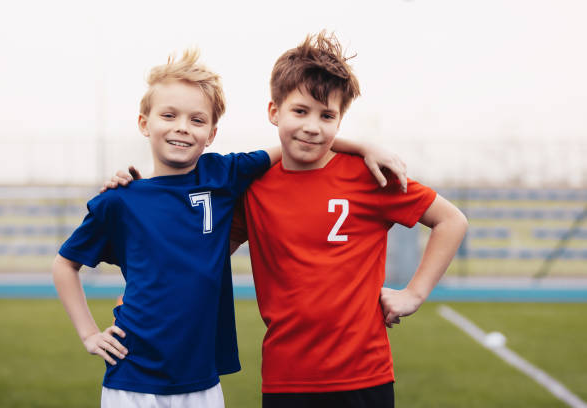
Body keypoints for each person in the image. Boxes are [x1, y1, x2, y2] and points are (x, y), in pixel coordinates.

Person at [54, 48, 407, 408]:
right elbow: (65, 264)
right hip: (130, 376)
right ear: (145, 123)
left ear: (211, 133)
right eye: (169, 115)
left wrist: (363, 146)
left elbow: (297, 141)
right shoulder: (120, 200)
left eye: (196, 120)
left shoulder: (222, 175)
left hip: (203, 381)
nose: (181, 127)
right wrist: (89, 334)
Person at [228, 32, 468, 408]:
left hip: (364, 375)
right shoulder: (253, 186)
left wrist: (414, 293)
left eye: (327, 116)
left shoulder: (369, 175)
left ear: (340, 122)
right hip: (286, 378)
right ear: (274, 111)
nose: (313, 126)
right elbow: (209, 246)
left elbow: (451, 221)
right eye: (300, 111)